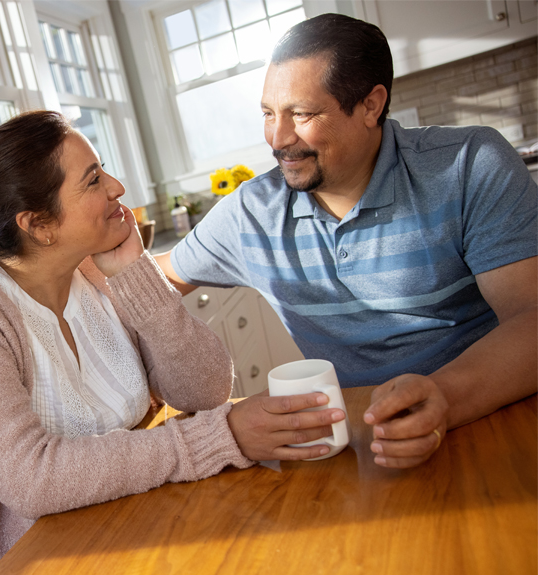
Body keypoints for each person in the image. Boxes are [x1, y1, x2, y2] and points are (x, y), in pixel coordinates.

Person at [0, 110, 346, 575]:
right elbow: (31, 479)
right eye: (94, 180)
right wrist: (224, 435)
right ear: (40, 225)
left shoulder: (93, 271)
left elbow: (204, 391)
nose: (117, 187)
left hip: (123, 524)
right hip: (19, 561)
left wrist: (138, 276)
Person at [156, 13, 537, 470]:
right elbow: (155, 277)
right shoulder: (251, 213)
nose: (278, 139)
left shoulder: (470, 164)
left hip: (495, 417)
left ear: (371, 105)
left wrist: (444, 397)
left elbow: (530, 319)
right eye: (268, 114)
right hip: (361, 443)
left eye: (302, 113)